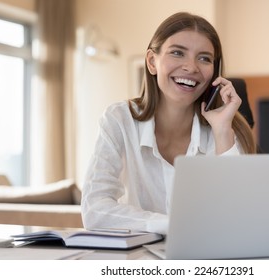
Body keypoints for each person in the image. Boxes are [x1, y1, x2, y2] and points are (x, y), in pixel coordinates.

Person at [81, 12, 257, 235]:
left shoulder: (227, 128)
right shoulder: (119, 120)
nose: (191, 67)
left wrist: (223, 132)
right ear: (152, 62)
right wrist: (173, 226)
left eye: (204, 58)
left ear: (215, 73)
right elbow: (94, 210)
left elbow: (242, 217)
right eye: (177, 53)